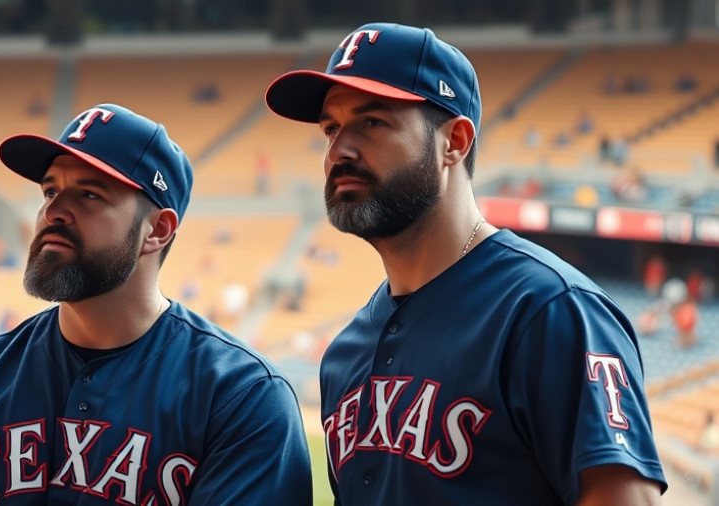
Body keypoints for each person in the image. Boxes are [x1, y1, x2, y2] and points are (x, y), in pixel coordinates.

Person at [265, 22, 666, 505]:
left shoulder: (551, 312)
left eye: (372, 122)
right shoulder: (345, 353)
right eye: (332, 128)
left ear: (454, 141)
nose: (339, 151)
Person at [0, 103, 312, 505]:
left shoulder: (241, 396)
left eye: (89, 194)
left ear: (157, 230)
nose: (55, 211)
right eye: (50, 191)